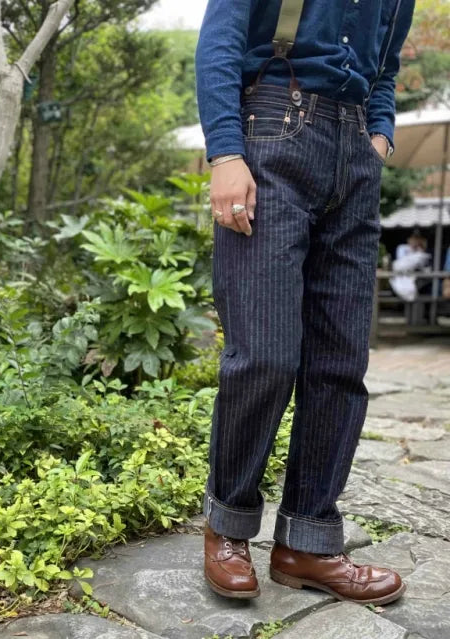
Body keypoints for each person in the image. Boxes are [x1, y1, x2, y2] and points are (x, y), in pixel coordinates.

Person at [196, 0, 414, 603]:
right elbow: (221, 39)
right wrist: (225, 152)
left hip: (356, 155)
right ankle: (228, 525)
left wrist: (379, 135)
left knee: (341, 363)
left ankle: (308, 543)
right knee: (264, 355)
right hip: (272, 131)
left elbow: (386, 66)